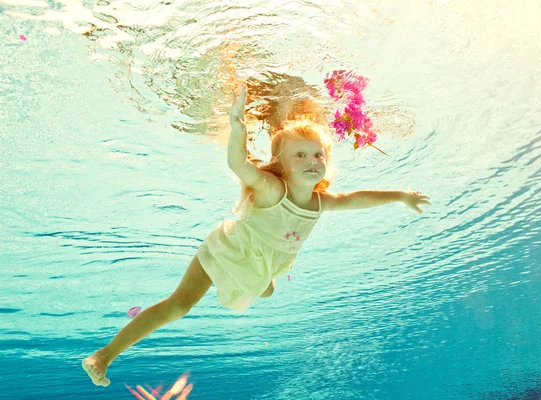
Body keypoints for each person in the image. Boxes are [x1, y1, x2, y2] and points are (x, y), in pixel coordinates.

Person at [81, 85, 431, 387]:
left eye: (318, 154)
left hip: (265, 263)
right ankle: (104, 355)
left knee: (265, 287)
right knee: (179, 306)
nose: (312, 160)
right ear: (280, 163)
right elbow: (239, 166)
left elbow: (358, 199)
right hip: (228, 250)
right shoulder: (271, 189)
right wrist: (237, 128)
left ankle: (260, 280)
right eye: (300, 154)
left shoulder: (321, 201)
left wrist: (401, 195)